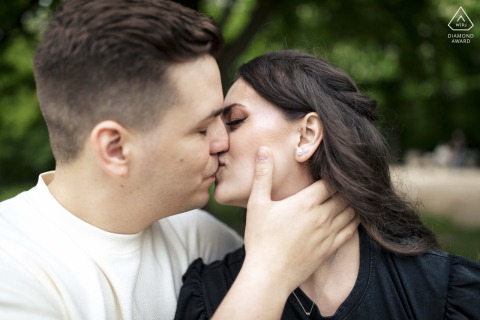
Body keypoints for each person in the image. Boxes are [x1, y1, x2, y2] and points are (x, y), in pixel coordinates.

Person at [0, 2, 357, 319]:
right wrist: (268, 274)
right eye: (203, 130)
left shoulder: (204, 240)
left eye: (227, 119)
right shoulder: (14, 270)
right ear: (116, 149)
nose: (223, 141)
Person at [175, 50, 480, 320]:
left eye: (235, 121)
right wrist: (266, 275)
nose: (216, 142)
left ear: (306, 135)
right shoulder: (207, 293)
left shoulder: (441, 291)